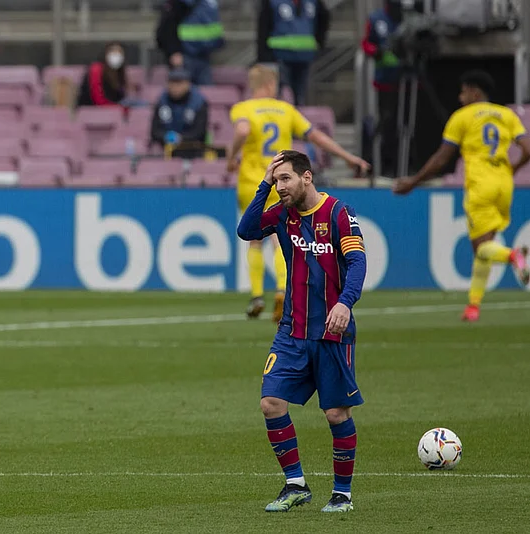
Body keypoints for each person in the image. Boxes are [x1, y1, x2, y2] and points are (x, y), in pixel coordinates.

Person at [237, 150, 367, 513]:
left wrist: (345, 303)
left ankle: (342, 495)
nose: (280, 187)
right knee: (270, 403)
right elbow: (246, 230)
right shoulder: (282, 213)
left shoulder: (338, 213)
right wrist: (263, 183)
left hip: (331, 331)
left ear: (306, 177)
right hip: (291, 331)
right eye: (276, 180)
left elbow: (357, 262)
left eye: (285, 179)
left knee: (336, 414)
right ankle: (295, 485)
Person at [227, 65, 369, 321]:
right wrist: (348, 157)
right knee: (280, 236)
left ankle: (257, 295)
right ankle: (282, 288)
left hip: (253, 181)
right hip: (286, 180)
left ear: (253, 85)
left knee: (255, 240)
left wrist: (231, 157)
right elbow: (316, 137)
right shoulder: (286, 110)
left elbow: (243, 130)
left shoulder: (243, 108)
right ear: (271, 84)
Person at [393, 70, 530, 321]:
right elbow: (528, 149)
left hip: (480, 185)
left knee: (482, 248)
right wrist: (513, 169)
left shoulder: (462, 117)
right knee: (485, 246)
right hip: (504, 184)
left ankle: (514, 255)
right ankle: (473, 306)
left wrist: (414, 181)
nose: (460, 97)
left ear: (474, 92)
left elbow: (442, 158)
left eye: (463, 92)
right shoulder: (507, 114)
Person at [257, 0, 329, 106]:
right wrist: (263, 56)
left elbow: (324, 17)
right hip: (279, 56)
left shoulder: (313, 2)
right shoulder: (273, 2)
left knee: (299, 97)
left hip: (304, 56)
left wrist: (319, 42)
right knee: (281, 96)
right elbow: (263, 26)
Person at [361, 0, 403, 176]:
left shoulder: (409, 17)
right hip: (384, 82)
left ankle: (404, 164)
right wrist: (376, 51)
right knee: (387, 124)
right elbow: (366, 44)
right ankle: (383, 165)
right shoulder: (376, 18)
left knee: (403, 125)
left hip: (408, 83)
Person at [155, 0, 225, 85]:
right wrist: (174, 52)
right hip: (185, 55)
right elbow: (167, 29)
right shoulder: (179, 4)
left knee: (205, 89)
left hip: (204, 55)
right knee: (183, 88)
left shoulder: (208, 3)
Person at [150, 68, 209, 149]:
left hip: (192, 148)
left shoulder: (199, 102)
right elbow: (154, 131)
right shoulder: (162, 100)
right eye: (172, 83)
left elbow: (199, 132)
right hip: (165, 148)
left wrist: (180, 138)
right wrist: (166, 136)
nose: (175, 87)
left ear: (188, 84)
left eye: (179, 83)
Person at [76, 42, 128, 108]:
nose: (116, 54)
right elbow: (98, 99)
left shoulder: (119, 73)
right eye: (113, 51)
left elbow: (120, 98)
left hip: (112, 111)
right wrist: (118, 107)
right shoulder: (96, 69)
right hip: (90, 110)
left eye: (119, 52)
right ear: (106, 53)